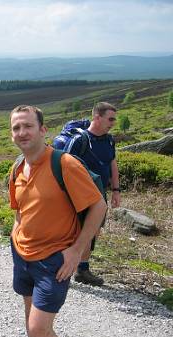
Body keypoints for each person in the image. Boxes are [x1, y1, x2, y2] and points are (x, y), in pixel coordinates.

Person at [8, 106, 107, 337]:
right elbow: (20, 210)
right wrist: (16, 237)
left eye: (28, 126)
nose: (22, 132)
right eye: (16, 128)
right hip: (22, 254)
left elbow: (98, 206)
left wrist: (77, 251)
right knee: (31, 319)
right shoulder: (18, 167)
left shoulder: (64, 164)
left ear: (43, 130)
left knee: (39, 328)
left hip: (54, 259)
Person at [63, 102, 121, 286]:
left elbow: (112, 164)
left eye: (114, 119)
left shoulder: (109, 140)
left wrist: (116, 191)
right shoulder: (80, 140)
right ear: (97, 117)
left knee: (92, 231)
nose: (113, 123)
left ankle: (82, 269)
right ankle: (59, 264)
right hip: (77, 194)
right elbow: (63, 167)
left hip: (99, 193)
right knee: (70, 230)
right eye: (110, 119)